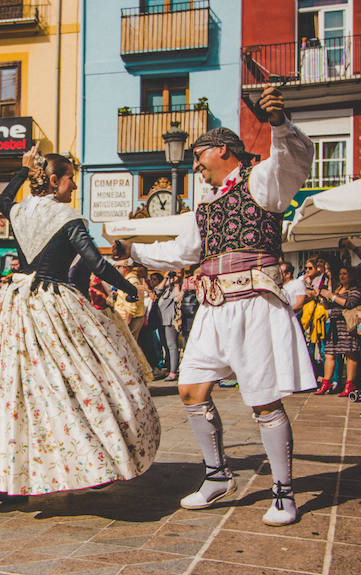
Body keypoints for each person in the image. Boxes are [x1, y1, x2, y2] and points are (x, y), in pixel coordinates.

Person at [0, 144, 160, 505]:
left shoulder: (19, 211)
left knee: (11, 392)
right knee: (80, 383)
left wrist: (24, 169)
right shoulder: (68, 217)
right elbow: (97, 264)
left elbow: (4, 200)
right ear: (55, 181)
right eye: (70, 178)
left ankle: (5, 481)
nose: (74, 185)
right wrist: (130, 287)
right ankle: (93, 460)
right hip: (52, 303)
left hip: (13, 302)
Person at [113, 86, 315, 526]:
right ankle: (217, 475)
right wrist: (133, 252)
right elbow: (181, 252)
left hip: (254, 304)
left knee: (263, 402)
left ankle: (283, 492)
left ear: (222, 150)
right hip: (213, 308)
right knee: (190, 389)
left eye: (198, 156)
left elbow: (295, 160)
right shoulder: (205, 204)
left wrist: (279, 123)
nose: (195, 165)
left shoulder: (261, 179)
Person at [311, 263, 361, 397]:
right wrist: (323, 298)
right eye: (340, 274)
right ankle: (326, 382)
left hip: (347, 325)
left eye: (345, 274)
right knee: (329, 354)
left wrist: (332, 296)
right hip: (334, 325)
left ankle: (350, 384)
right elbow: (330, 306)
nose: (342, 276)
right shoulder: (338, 289)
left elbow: (350, 304)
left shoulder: (354, 290)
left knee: (350, 354)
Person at [113, 259, 145, 340]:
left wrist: (126, 323)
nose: (118, 270)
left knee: (129, 344)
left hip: (130, 320)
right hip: (124, 318)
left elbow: (131, 304)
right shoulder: (127, 280)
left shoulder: (131, 281)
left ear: (125, 268)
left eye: (118, 267)